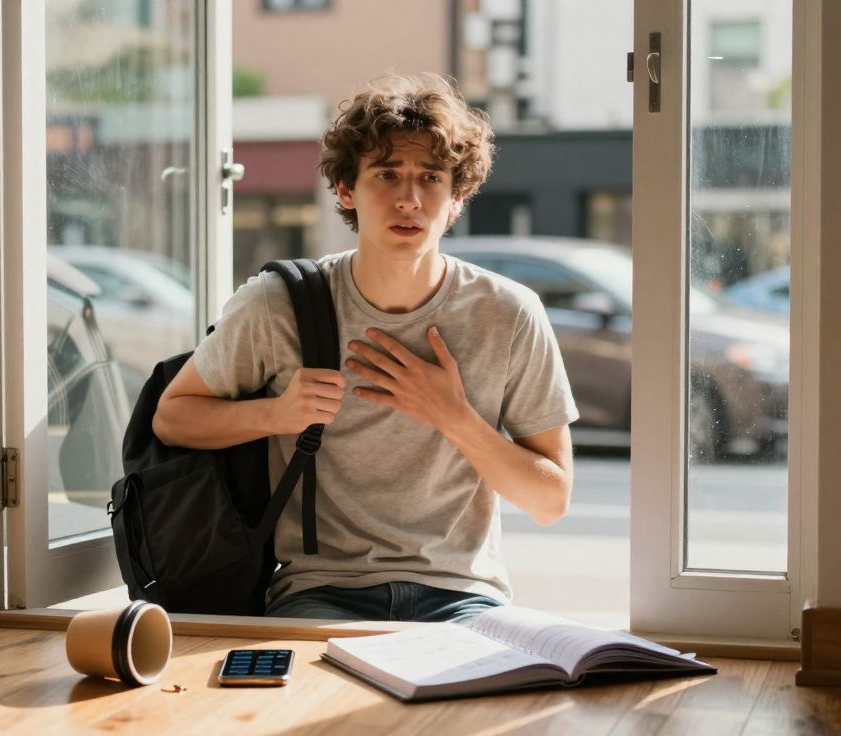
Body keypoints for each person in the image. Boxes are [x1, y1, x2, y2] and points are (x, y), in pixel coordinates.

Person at [152, 73, 578, 623]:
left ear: (456, 199)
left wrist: (453, 416)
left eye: (431, 177)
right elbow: (173, 419)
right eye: (387, 174)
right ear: (347, 190)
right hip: (320, 592)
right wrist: (277, 414)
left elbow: (551, 501)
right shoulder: (278, 304)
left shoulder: (509, 313)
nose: (409, 198)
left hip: (463, 596)